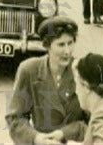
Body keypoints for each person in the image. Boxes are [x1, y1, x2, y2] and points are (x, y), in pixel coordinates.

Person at [6, 16, 88, 144]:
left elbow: (96, 122)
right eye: (61, 44)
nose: (67, 51)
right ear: (47, 46)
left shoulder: (82, 71)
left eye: (70, 43)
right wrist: (36, 138)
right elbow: (15, 119)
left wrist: (64, 133)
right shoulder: (29, 70)